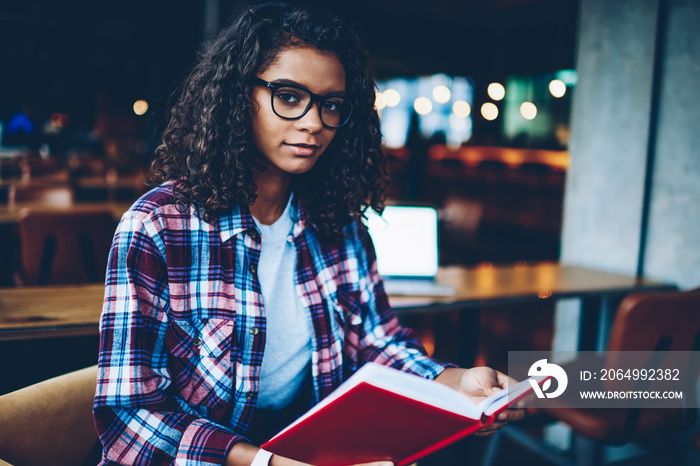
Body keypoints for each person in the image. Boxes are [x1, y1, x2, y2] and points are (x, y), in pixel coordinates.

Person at [93, 3, 524, 465]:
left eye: (331, 104)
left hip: (309, 445)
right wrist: (263, 461)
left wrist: (454, 382)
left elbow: (377, 341)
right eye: (290, 96)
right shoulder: (159, 225)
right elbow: (131, 413)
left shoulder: (338, 224)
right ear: (238, 98)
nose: (315, 122)